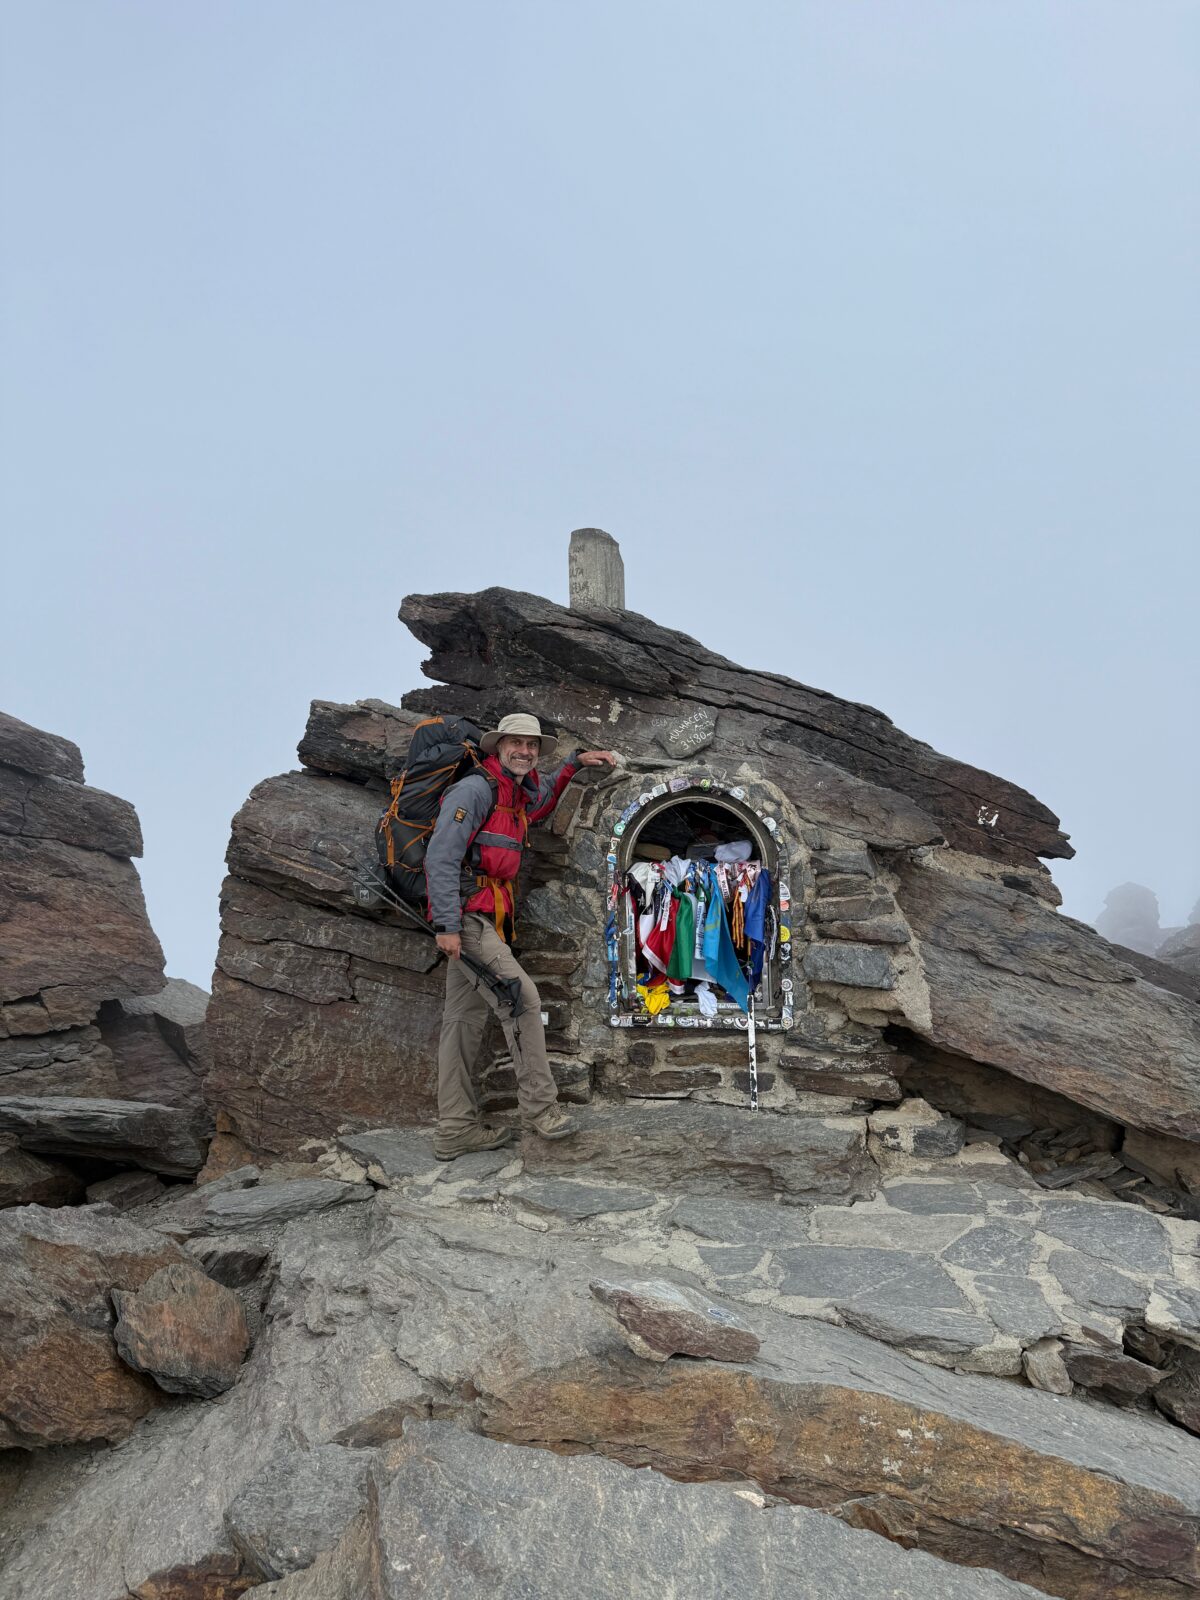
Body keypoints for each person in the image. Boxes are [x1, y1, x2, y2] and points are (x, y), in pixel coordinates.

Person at [424, 712, 616, 1160]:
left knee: (463, 1023)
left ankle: (455, 1128)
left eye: (532, 745)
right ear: (498, 746)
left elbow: (542, 800)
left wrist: (573, 764)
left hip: (491, 920)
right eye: (516, 743)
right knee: (522, 999)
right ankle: (541, 1111)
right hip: (470, 920)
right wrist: (447, 925)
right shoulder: (474, 790)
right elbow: (442, 856)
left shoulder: (515, 791)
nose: (525, 752)